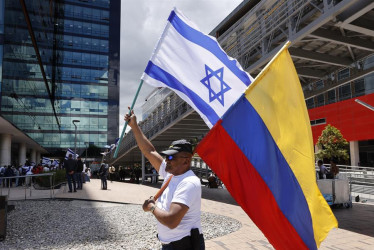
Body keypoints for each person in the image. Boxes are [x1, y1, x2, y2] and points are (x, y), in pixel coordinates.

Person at [125, 110, 205, 249]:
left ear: (186, 161)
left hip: (183, 246)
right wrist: (134, 126)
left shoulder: (189, 182)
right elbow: (149, 151)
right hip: (172, 245)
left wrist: (151, 208)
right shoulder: (171, 174)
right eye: (167, 156)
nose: (167, 160)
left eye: (172, 157)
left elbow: (172, 221)